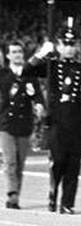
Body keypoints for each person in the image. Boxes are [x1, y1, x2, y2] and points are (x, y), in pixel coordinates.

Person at [30, 22, 81, 215]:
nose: (69, 48)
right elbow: (28, 70)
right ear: (58, 45)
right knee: (59, 160)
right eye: (65, 44)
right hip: (57, 119)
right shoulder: (51, 65)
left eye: (72, 44)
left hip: (75, 120)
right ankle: (53, 191)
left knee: (74, 165)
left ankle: (68, 203)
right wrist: (41, 54)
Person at [1, 41, 45, 209]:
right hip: (6, 124)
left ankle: (15, 196)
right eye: (14, 52)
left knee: (20, 163)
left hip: (24, 124)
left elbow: (38, 96)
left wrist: (40, 104)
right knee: (10, 161)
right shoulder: (4, 74)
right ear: (8, 56)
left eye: (20, 51)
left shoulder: (30, 76)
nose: (18, 54)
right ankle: (12, 194)